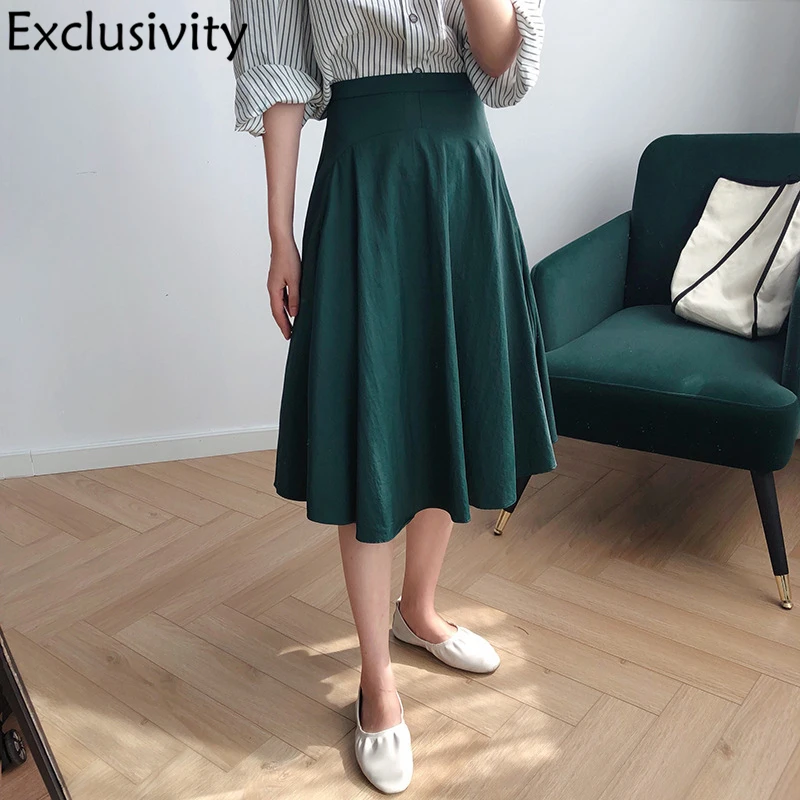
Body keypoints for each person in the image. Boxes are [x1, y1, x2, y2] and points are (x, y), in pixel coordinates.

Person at [229, 0, 556, 792]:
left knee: (449, 404)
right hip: (362, 181)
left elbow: (504, 71)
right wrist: (280, 234)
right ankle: (377, 679)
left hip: (462, 180)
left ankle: (420, 609)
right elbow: (278, 72)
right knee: (370, 419)